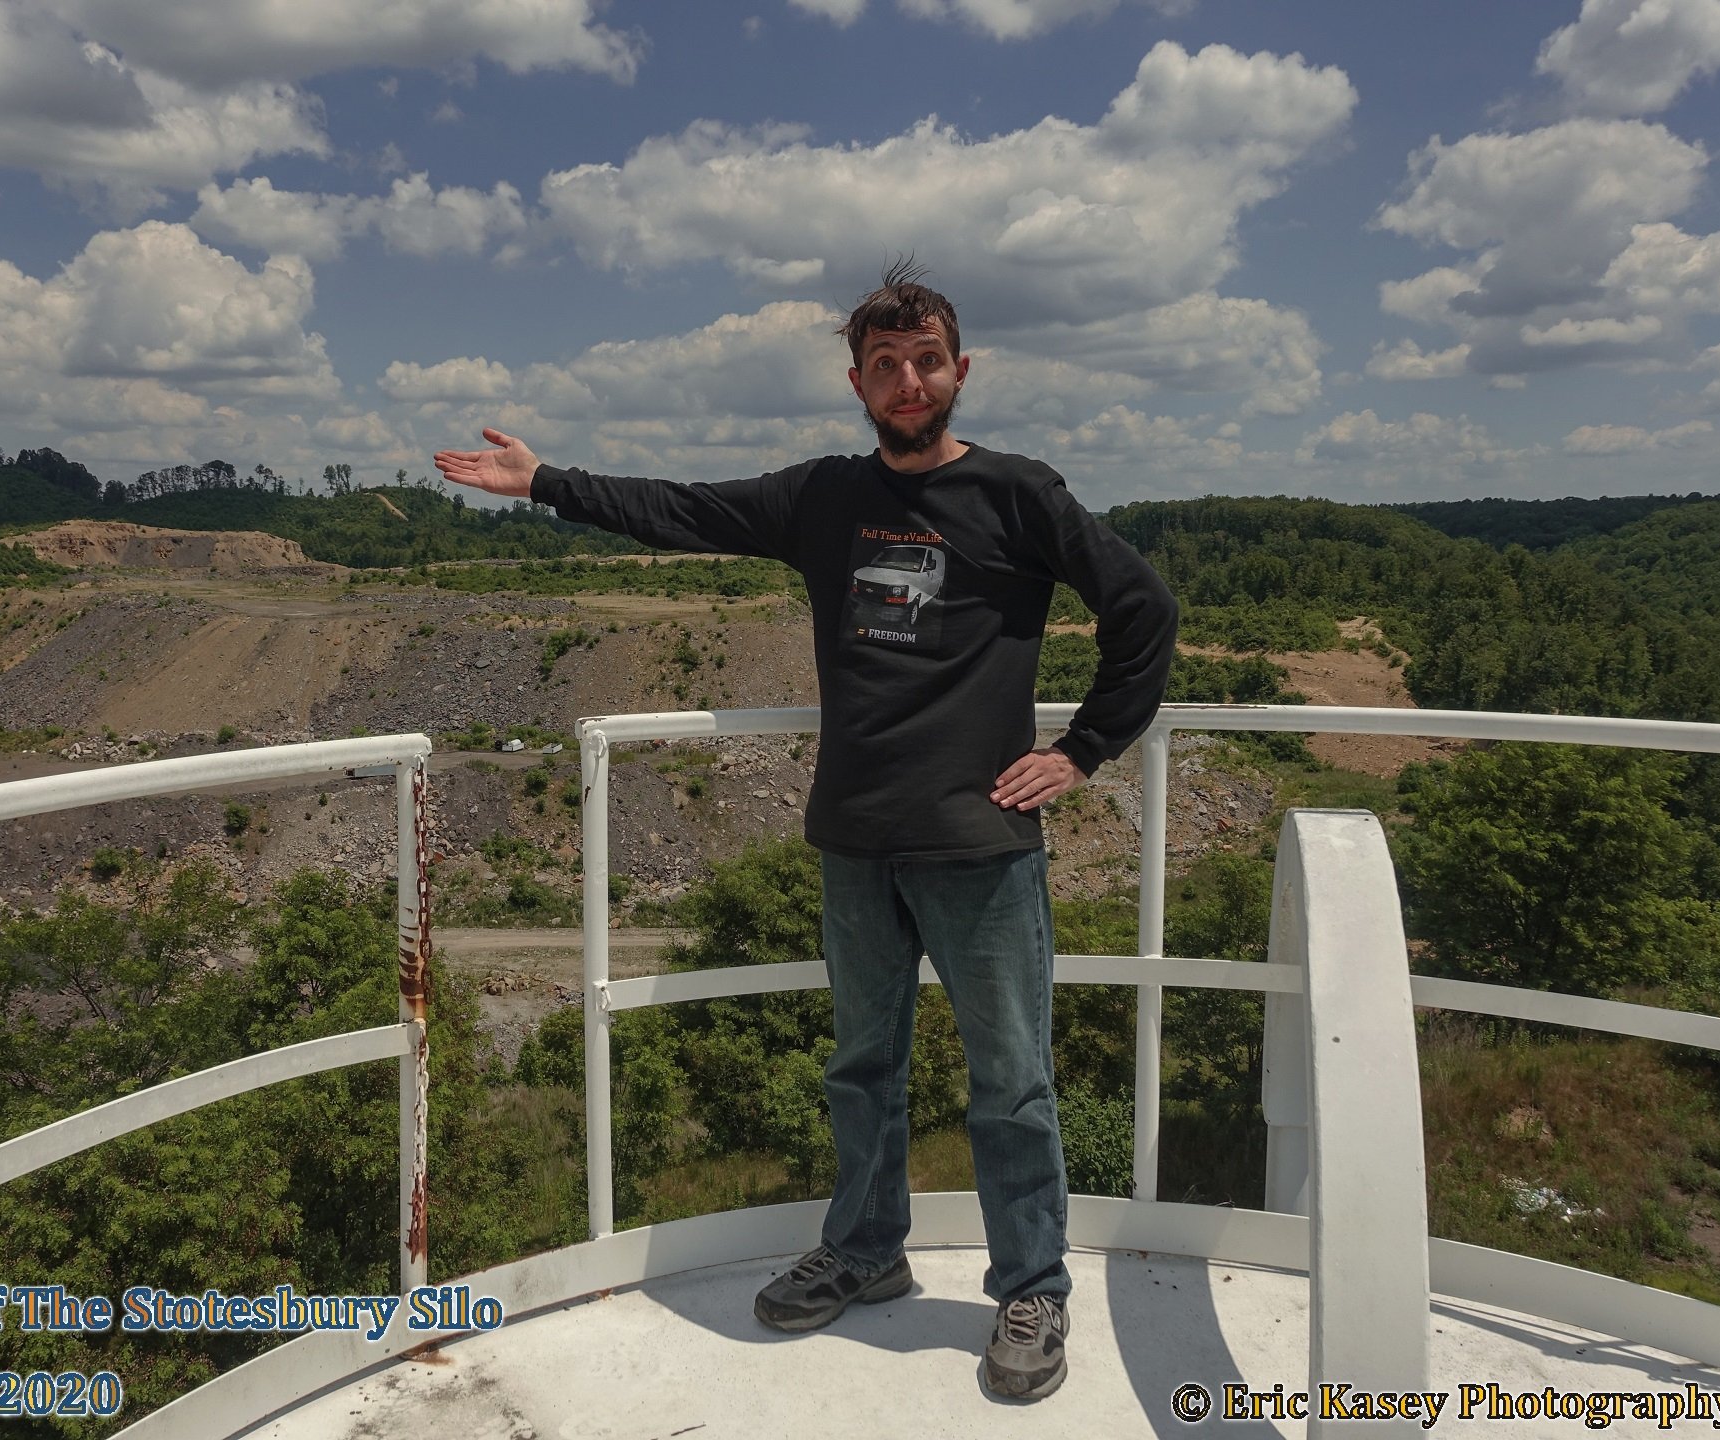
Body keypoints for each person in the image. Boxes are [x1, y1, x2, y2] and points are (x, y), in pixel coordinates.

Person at [433, 260, 1178, 1402]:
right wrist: (546, 483)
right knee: (861, 1069)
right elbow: (685, 511)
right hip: (856, 839)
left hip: (980, 847)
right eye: (886, 365)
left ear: (959, 369)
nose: (909, 379)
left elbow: (1144, 612)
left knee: (1013, 1082)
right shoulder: (825, 499)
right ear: (858, 383)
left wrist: (1081, 750)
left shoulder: (1021, 496)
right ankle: (866, 1251)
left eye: (926, 359)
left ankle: (1031, 1289)